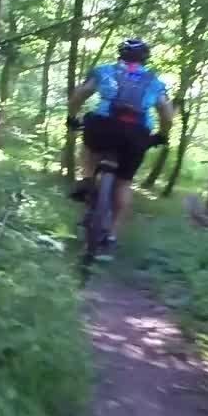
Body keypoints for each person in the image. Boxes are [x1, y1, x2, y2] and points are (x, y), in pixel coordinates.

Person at [66, 38, 175, 257]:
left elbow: (80, 94)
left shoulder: (104, 71)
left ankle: (87, 180)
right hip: (136, 134)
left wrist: (71, 117)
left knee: (88, 144)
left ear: (120, 54)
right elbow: (166, 112)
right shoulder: (154, 81)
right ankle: (112, 235)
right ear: (145, 59)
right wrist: (162, 135)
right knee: (123, 184)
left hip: (103, 127)